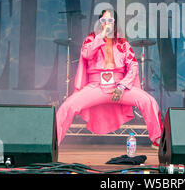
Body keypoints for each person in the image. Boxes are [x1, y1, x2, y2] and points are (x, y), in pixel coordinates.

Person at [56, 9, 163, 148]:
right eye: (103, 20)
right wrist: (101, 37)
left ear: (115, 23)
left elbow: (133, 66)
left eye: (110, 20)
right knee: (68, 106)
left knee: (149, 101)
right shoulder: (91, 39)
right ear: (99, 23)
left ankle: (158, 139)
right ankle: (52, 142)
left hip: (119, 87)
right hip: (96, 86)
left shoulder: (123, 43)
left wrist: (121, 86)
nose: (107, 23)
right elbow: (86, 54)